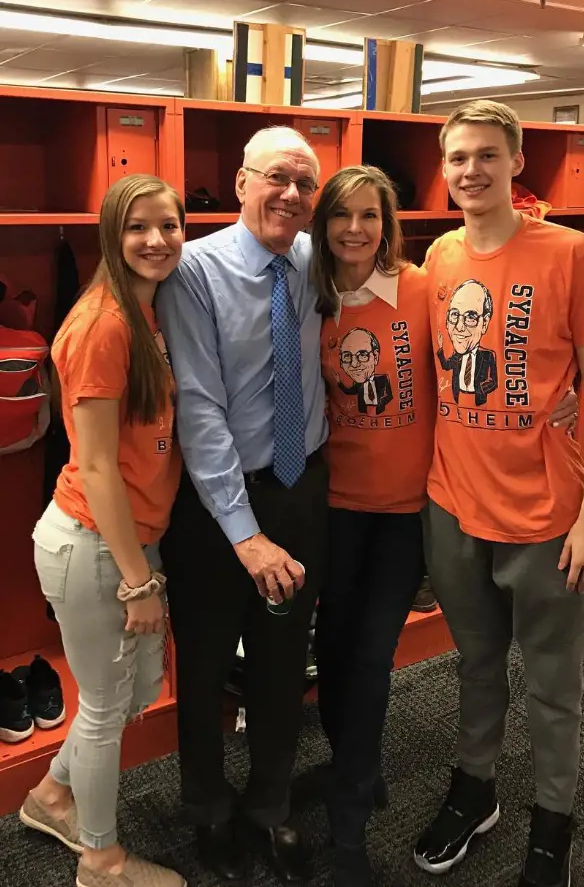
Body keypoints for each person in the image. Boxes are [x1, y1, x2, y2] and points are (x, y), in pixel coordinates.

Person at [308, 164, 579, 885]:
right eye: (342, 217)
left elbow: (559, 350)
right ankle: (376, 778)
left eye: (371, 215)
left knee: (374, 657)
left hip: (420, 508)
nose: (356, 230)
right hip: (358, 507)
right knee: (345, 652)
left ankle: (355, 826)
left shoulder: (427, 281)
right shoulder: (310, 296)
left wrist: (574, 403)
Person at [412, 100, 584, 887]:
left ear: (517, 163)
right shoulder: (438, 260)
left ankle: (553, 823)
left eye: (487, 155)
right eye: (458, 157)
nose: (471, 171)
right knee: (477, 665)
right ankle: (475, 789)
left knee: (555, 685)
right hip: (453, 506)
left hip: (548, 515)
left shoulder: (571, 253)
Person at [156, 126, 325, 883]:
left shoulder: (318, 260)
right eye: (276, 179)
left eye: (305, 185)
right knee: (205, 662)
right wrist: (244, 533)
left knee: (286, 662)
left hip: (300, 489)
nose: (290, 195)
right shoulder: (194, 271)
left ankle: (268, 807)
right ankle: (208, 810)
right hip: (218, 507)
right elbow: (199, 410)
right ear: (240, 182)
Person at [22, 174, 185, 887]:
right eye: (138, 228)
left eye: (170, 226)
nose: (156, 241)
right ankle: (100, 860)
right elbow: (93, 465)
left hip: (125, 541)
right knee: (103, 705)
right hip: (94, 545)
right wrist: (137, 578)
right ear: (111, 238)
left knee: (135, 688)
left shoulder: (146, 314)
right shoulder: (103, 324)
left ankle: (51, 795)